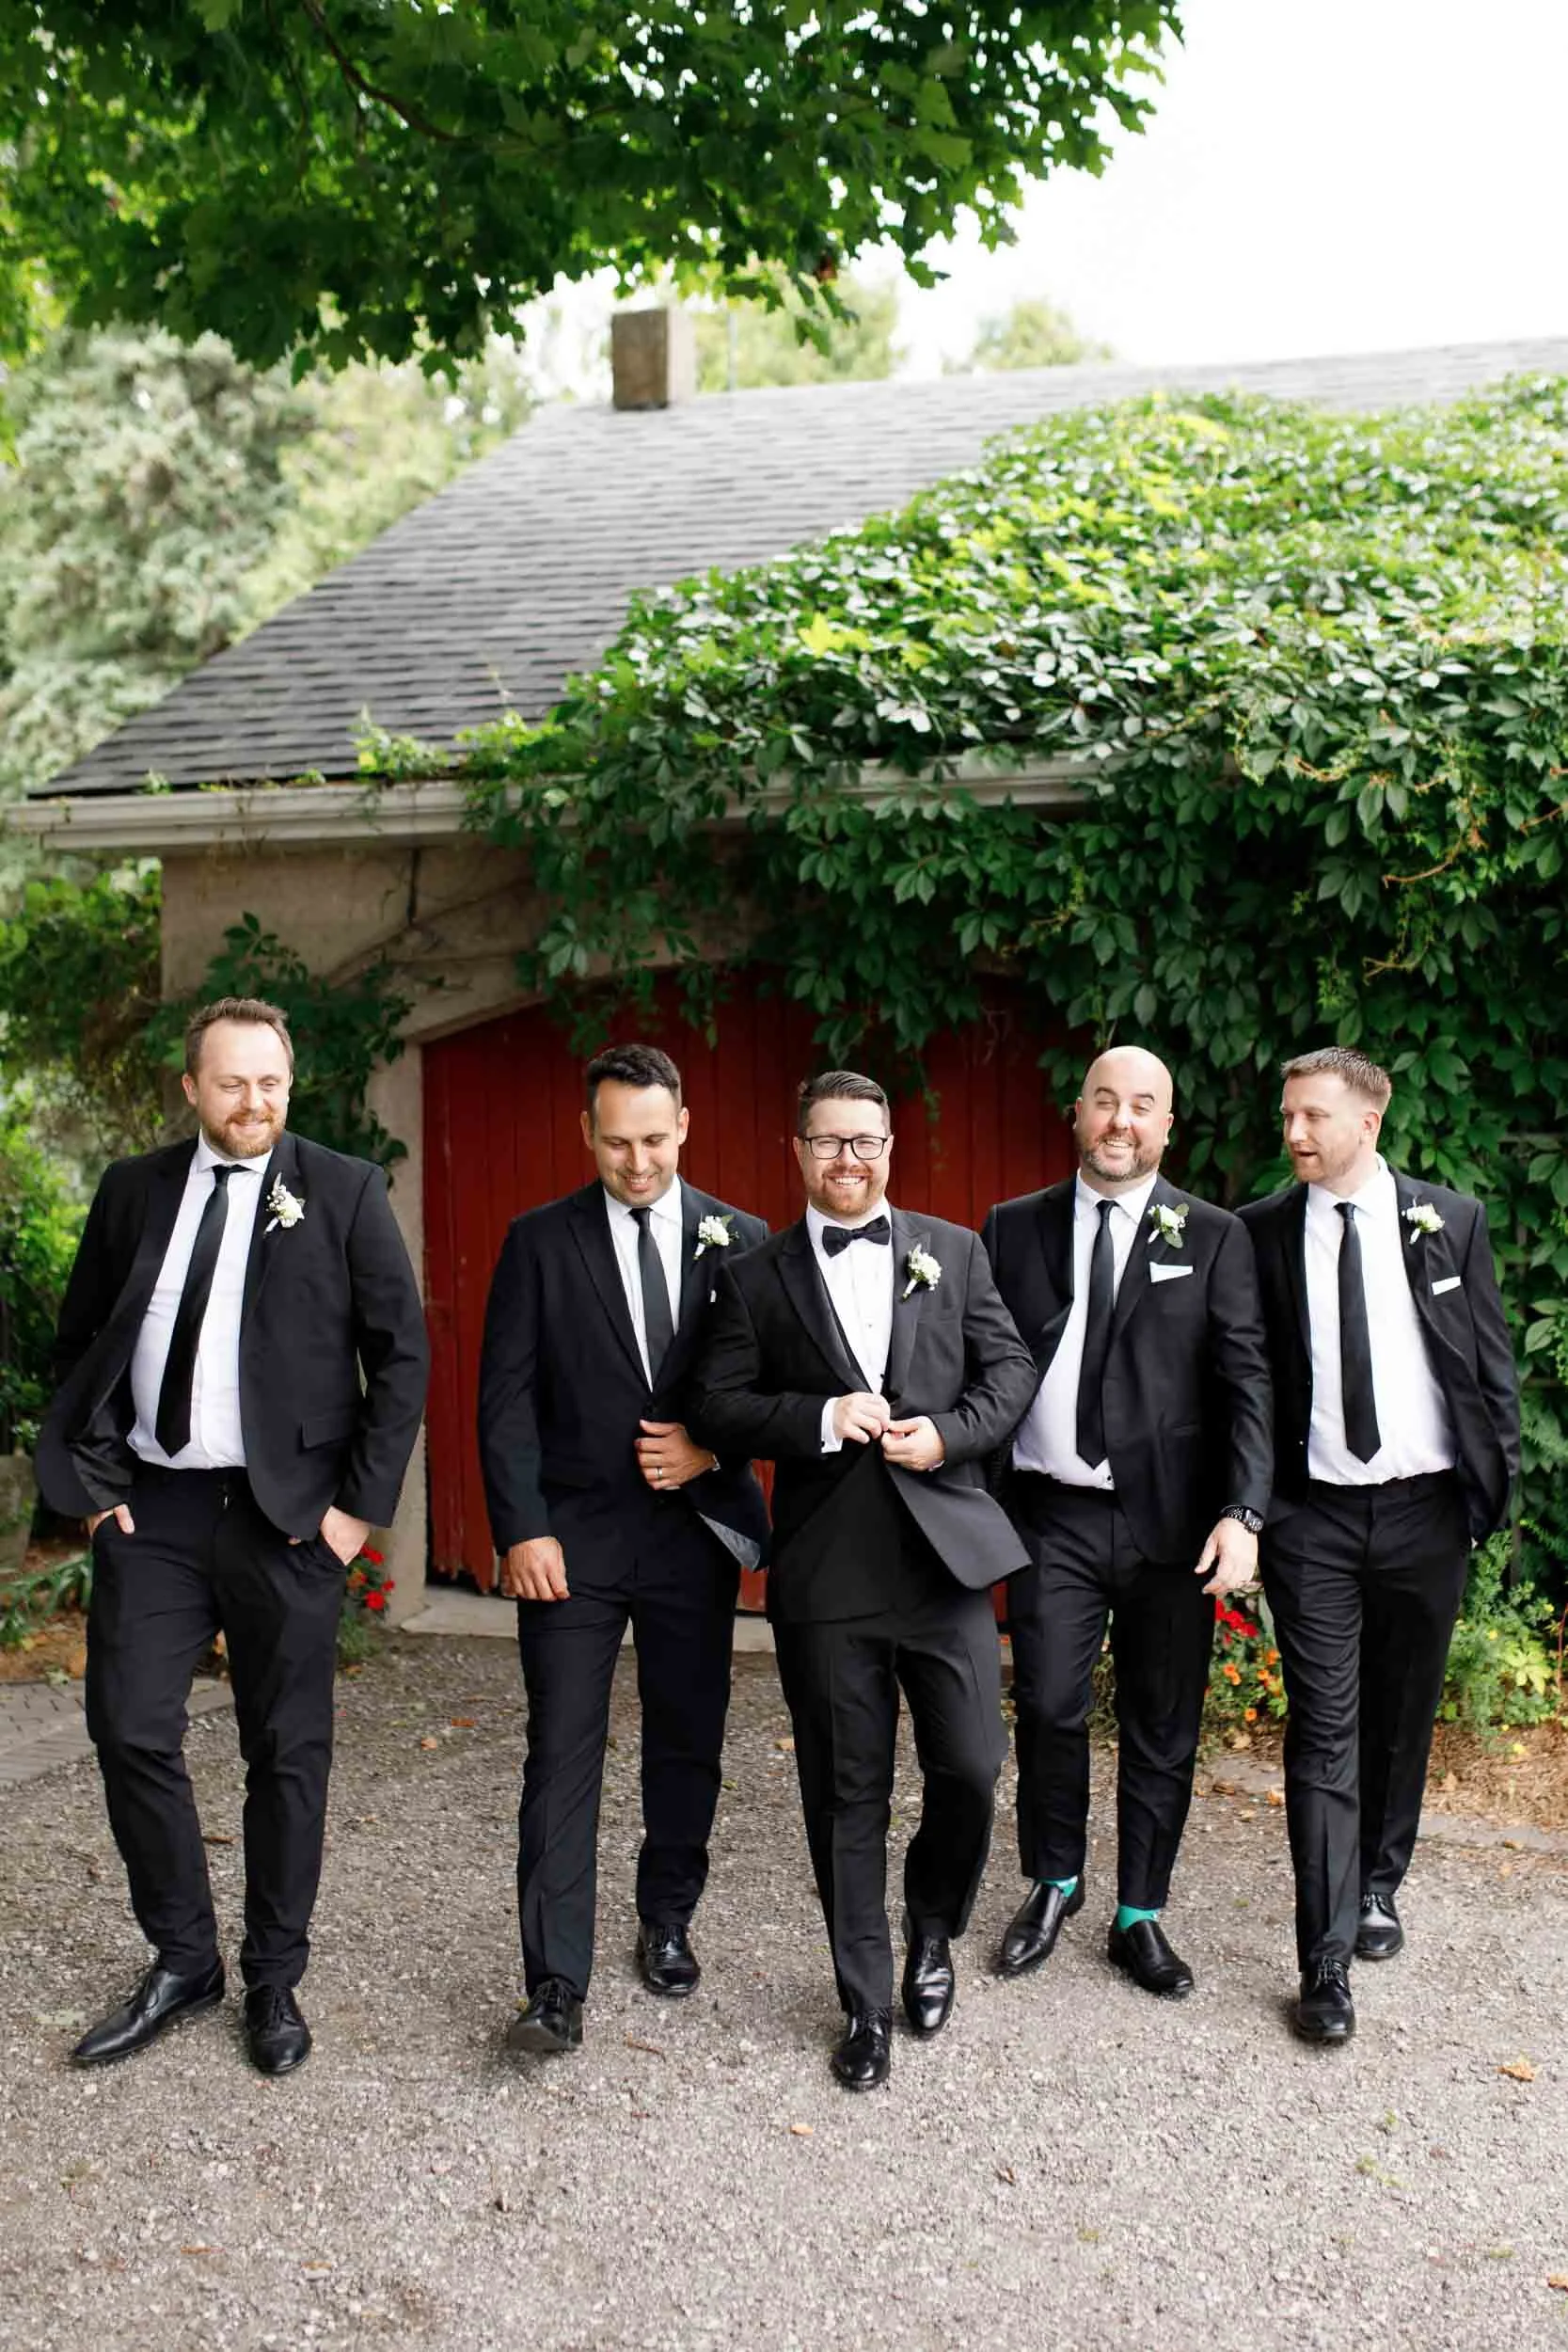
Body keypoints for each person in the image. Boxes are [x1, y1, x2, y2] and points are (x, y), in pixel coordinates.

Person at [36, 995, 429, 2075]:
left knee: (285, 1752)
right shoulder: (132, 1190)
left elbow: (401, 1356)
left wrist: (354, 1513)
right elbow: (81, 1342)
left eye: (269, 1082)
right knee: (128, 1726)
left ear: (287, 1085)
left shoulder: (342, 1190)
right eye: (231, 1083)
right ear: (191, 1088)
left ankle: (272, 1978)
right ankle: (182, 1958)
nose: (253, 1101)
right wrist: (94, 1485)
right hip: (153, 1511)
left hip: (287, 1520)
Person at [692, 1070, 1036, 2091]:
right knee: (845, 1795)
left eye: (865, 1141)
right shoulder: (753, 1276)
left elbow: (1009, 1373)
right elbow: (716, 1404)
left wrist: (949, 1436)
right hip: (829, 1573)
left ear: (890, 1148)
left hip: (944, 1563)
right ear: (798, 1151)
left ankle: (933, 1929)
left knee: (971, 1767)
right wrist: (816, 1416)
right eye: (829, 1142)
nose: (848, 1159)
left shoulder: (953, 1251)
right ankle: (864, 2000)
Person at [478, 1043, 768, 2058]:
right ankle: (554, 1984)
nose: (636, 1162)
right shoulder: (537, 1242)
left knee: (687, 1738)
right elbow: (504, 1399)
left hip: (694, 1537)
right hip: (571, 1545)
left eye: (652, 1140)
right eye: (615, 1143)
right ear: (586, 1134)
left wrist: (711, 1450)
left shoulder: (744, 1239)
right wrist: (521, 1527)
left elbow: (771, 1392)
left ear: (683, 1125)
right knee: (561, 1750)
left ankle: (668, 1918)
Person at [1239, 1046, 1518, 2042]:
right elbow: (1247, 1381)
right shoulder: (1258, 1232)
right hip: (1311, 1516)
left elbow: (1487, 1366)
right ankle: (1321, 1961)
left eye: (1312, 1116)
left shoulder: (1449, 1221)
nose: (1293, 1133)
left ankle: (1375, 1886)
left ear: (1368, 1120)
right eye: (1286, 1115)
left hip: (1425, 1513)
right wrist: (1252, 1509)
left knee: (1400, 1713)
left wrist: (1487, 1496)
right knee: (1321, 1726)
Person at [981, 1046, 1272, 2001]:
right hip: (1048, 1514)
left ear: (1165, 1127)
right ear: (1076, 1112)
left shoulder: (1215, 1235)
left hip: (1171, 1524)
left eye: (1141, 1105)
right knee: (1048, 1705)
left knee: (1161, 1720)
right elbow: (978, 1363)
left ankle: (1139, 1912)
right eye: (1104, 1101)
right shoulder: (1012, 1227)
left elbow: (1246, 1384)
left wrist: (1242, 1512)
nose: (1120, 1121)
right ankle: (1052, 1881)